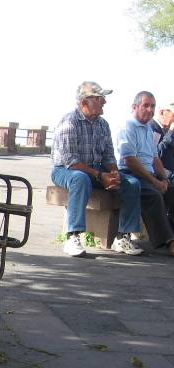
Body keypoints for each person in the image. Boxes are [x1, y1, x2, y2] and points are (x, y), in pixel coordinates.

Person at [51, 81, 143, 257]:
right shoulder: (70, 121)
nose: (104, 102)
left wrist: (114, 174)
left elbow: (108, 155)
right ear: (85, 102)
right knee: (80, 178)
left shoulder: (103, 124)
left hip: (94, 169)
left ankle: (122, 237)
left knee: (132, 183)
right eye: (100, 98)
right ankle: (73, 236)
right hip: (65, 170)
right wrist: (100, 176)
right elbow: (70, 161)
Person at [116, 91, 174, 256]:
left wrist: (165, 177)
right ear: (134, 107)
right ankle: (169, 241)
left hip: (147, 174)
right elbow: (130, 161)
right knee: (153, 194)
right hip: (129, 173)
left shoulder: (148, 128)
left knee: (172, 189)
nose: (150, 110)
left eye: (152, 106)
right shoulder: (128, 126)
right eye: (146, 105)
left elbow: (155, 158)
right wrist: (155, 182)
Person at [152, 102, 174, 171]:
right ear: (161, 113)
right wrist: (170, 132)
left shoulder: (165, 129)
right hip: (160, 174)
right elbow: (154, 153)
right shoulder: (153, 128)